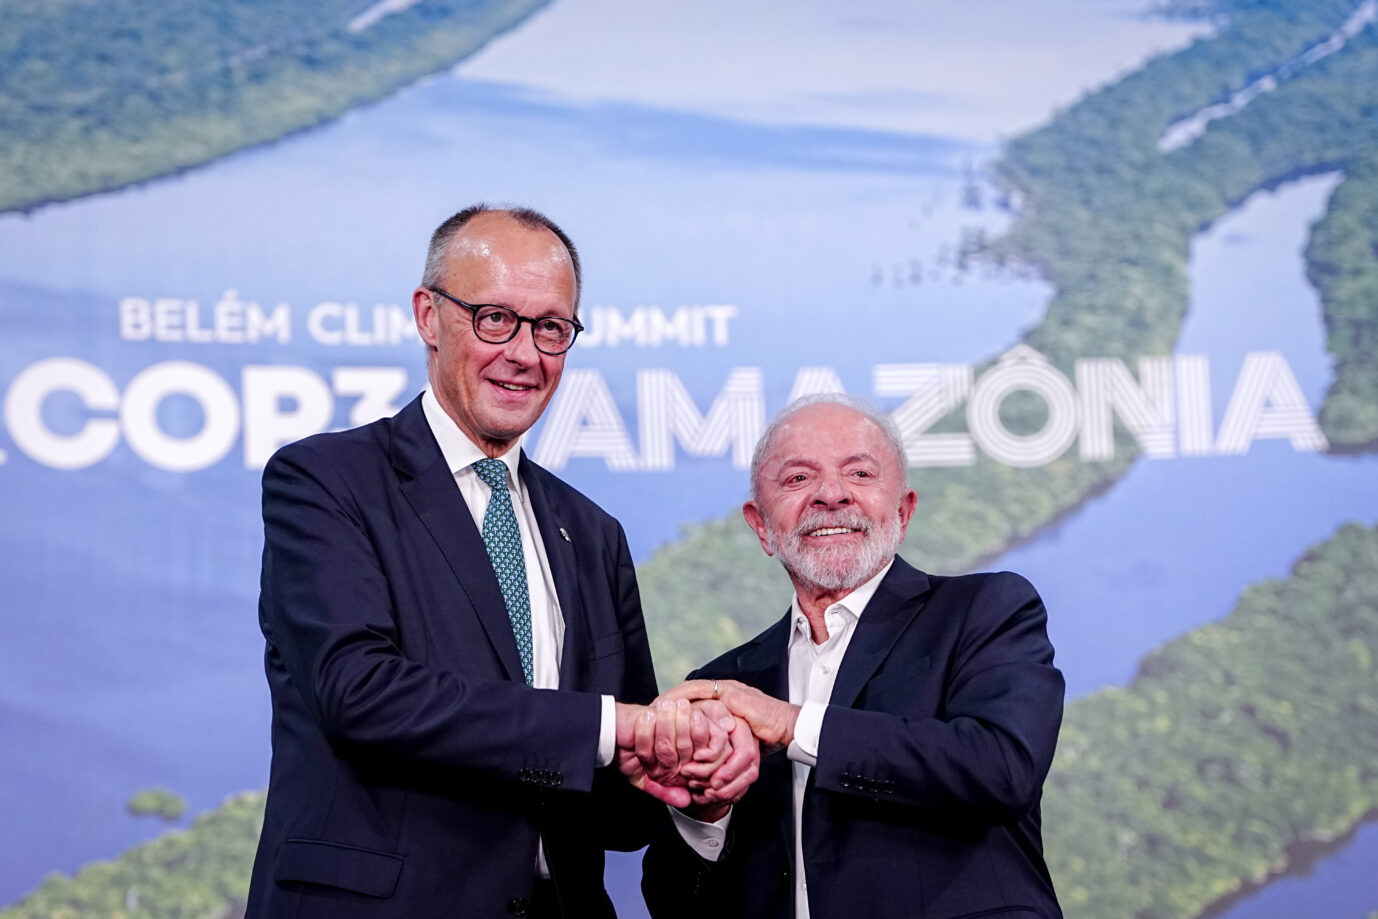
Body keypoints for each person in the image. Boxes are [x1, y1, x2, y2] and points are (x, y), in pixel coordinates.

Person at [246, 205, 751, 919]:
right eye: (494, 318)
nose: (525, 352)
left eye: (551, 328)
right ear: (429, 316)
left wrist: (687, 777)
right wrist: (614, 728)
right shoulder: (328, 481)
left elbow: (615, 808)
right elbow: (357, 691)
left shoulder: (592, 533)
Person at [641, 394, 1066, 919]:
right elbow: (670, 901)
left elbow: (1002, 770)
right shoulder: (724, 683)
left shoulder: (984, 611)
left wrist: (794, 725)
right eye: (798, 479)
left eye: (860, 474)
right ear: (760, 525)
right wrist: (708, 811)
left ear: (903, 510)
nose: (831, 495)